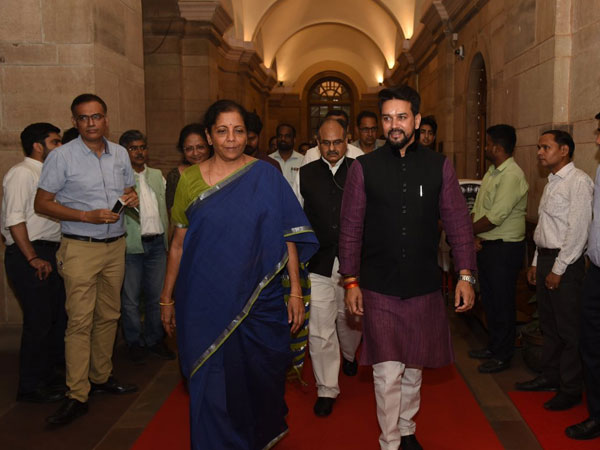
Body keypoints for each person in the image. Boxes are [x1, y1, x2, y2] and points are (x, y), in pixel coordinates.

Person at [160, 99, 318, 449]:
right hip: (204, 298)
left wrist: (294, 291)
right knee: (211, 379)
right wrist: (166, 298)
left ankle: (255, 437)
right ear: (209, 136)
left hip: (260, 297)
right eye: (222, 131)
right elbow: (178, 245)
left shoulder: (266, 176)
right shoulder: (189, 181)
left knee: (261, 373)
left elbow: (288, 236)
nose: (231, 138)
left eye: (238, 131)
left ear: (249, 136)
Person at [339, 85, 476, 450]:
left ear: (416, 119)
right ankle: (390, 441)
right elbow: (350, 229)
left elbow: (458, 224)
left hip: (422, 285)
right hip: (379, 286)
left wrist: (465, 275)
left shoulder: (439, 166)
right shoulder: (363, 168)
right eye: (387, 118)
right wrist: (350, 281)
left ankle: (407, 427)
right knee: (387, 372)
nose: (393, 125)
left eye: (401, 117)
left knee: (415, 368)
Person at [35, 93, 140, 426]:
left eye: (96, 116)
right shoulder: (61, 156)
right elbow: (42, 203)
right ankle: (77, 394)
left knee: (109, 315)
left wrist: (132, 198)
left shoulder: (120, 153)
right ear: (75, 122)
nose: (91, 123)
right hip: (80, 247)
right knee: (80, 322)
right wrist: (85, 215)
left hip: (115, 246)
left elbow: (129, 191)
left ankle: (101, 377)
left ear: (106, 119)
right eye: (84, 118)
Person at [515, 130, 593, 411]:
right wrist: (537, 262)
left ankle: (570, 389)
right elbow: (546, 228)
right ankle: (550, 377)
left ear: (564, 150)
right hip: (547, 259)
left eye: (545, 147)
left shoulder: (578, 182)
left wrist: (558, 268)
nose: (539, 152)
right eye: (539, 147)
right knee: (549, 326)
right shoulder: (552, 182)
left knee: (568, 330)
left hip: (566, 264)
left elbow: (577, 231)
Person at [294, 118, 362, 417]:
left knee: (350, 319)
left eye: (337, 142)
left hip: (354, 262)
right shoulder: (305, 174)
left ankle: (349, 354)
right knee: (320, 328)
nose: (332, 148)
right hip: (318, 261)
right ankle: (326, 389)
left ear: (347, 141)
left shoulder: (361, 170)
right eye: (326, 143)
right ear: (317, 142)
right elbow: (294, 217)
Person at [2, 123, 66, 404]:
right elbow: (14, 219)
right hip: (30, 253)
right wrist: (33, 257)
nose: (60, 147)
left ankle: (48, 377)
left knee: (53, 319)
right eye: (55, 142)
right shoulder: (22, 173)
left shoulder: (48, 174)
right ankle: (30, 386)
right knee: (38, 321)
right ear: (38, 146)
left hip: (49, 252)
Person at [469, 124, 528, 373]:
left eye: (488, 143)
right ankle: (494, 346)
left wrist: (465, 232)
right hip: (488, 245)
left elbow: (495, 217)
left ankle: (504, 355)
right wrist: (473, 235)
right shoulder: (492, 172)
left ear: (496, 147)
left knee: (503, 302)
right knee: (491, 300)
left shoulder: (512, 175)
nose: (485, 147)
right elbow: (478, 209)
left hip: (504, 249)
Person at [119, 130, 174, 364]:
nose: (139, 152)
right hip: (132, 246)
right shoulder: (119, 178)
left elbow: (166, 209)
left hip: (157, 245)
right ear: (124, 152)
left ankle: (154, 340)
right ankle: (134, 342)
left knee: (156, 296)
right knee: (130, 299)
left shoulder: (157, 175)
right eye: (133, 148)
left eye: (142, 147)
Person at [566, 112, 600, 440]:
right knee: (590, 345)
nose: (598, 139)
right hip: (596, 273)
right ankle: (596, 415)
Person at [165, 123, 211, 211]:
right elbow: (172, 212)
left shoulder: (221, 171)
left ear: (209, 146)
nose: (195, 153)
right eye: (189, 149)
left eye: (200, 147)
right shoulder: (175, 176)